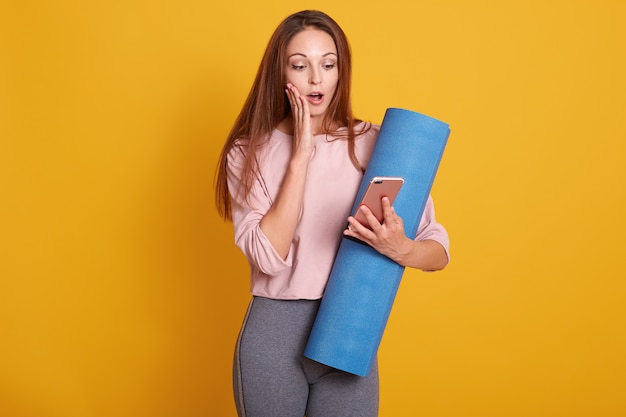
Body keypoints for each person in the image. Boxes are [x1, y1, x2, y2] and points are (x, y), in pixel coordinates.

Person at [215, 10, 450, 417]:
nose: (316, 79)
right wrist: (301, 157)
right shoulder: (248, 150)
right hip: (275, 335)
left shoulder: (376, 143)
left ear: (342, 71)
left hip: (350, 324)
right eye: (299, 65)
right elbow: (268, 257)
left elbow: (438, 250)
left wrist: (400, 248)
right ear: (280, 72)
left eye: (328, 64)